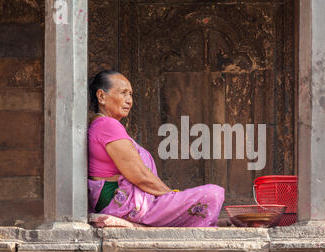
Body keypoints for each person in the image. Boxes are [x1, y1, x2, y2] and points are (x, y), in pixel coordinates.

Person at [87, 70, 225, 227]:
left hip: (123, 205)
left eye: (130, 94)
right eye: (123, 93)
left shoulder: (100, 125)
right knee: (212, 194)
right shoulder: (107, 125)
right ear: (101, 96)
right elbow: (140, 176)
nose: (129, 100)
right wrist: (171, 196)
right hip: (125, 207)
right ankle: (146, 225)